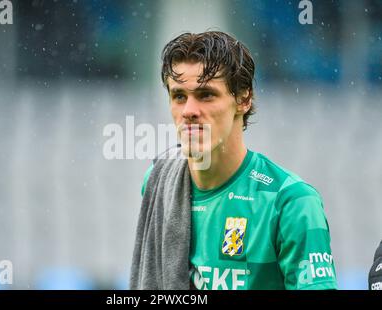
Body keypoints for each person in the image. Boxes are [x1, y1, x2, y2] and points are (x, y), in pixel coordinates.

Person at [130, 31, 337, 290]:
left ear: (243, 99)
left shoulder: (292, 202)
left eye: (206, 95)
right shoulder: (158, 181)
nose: (189, 111)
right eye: (179, 96)